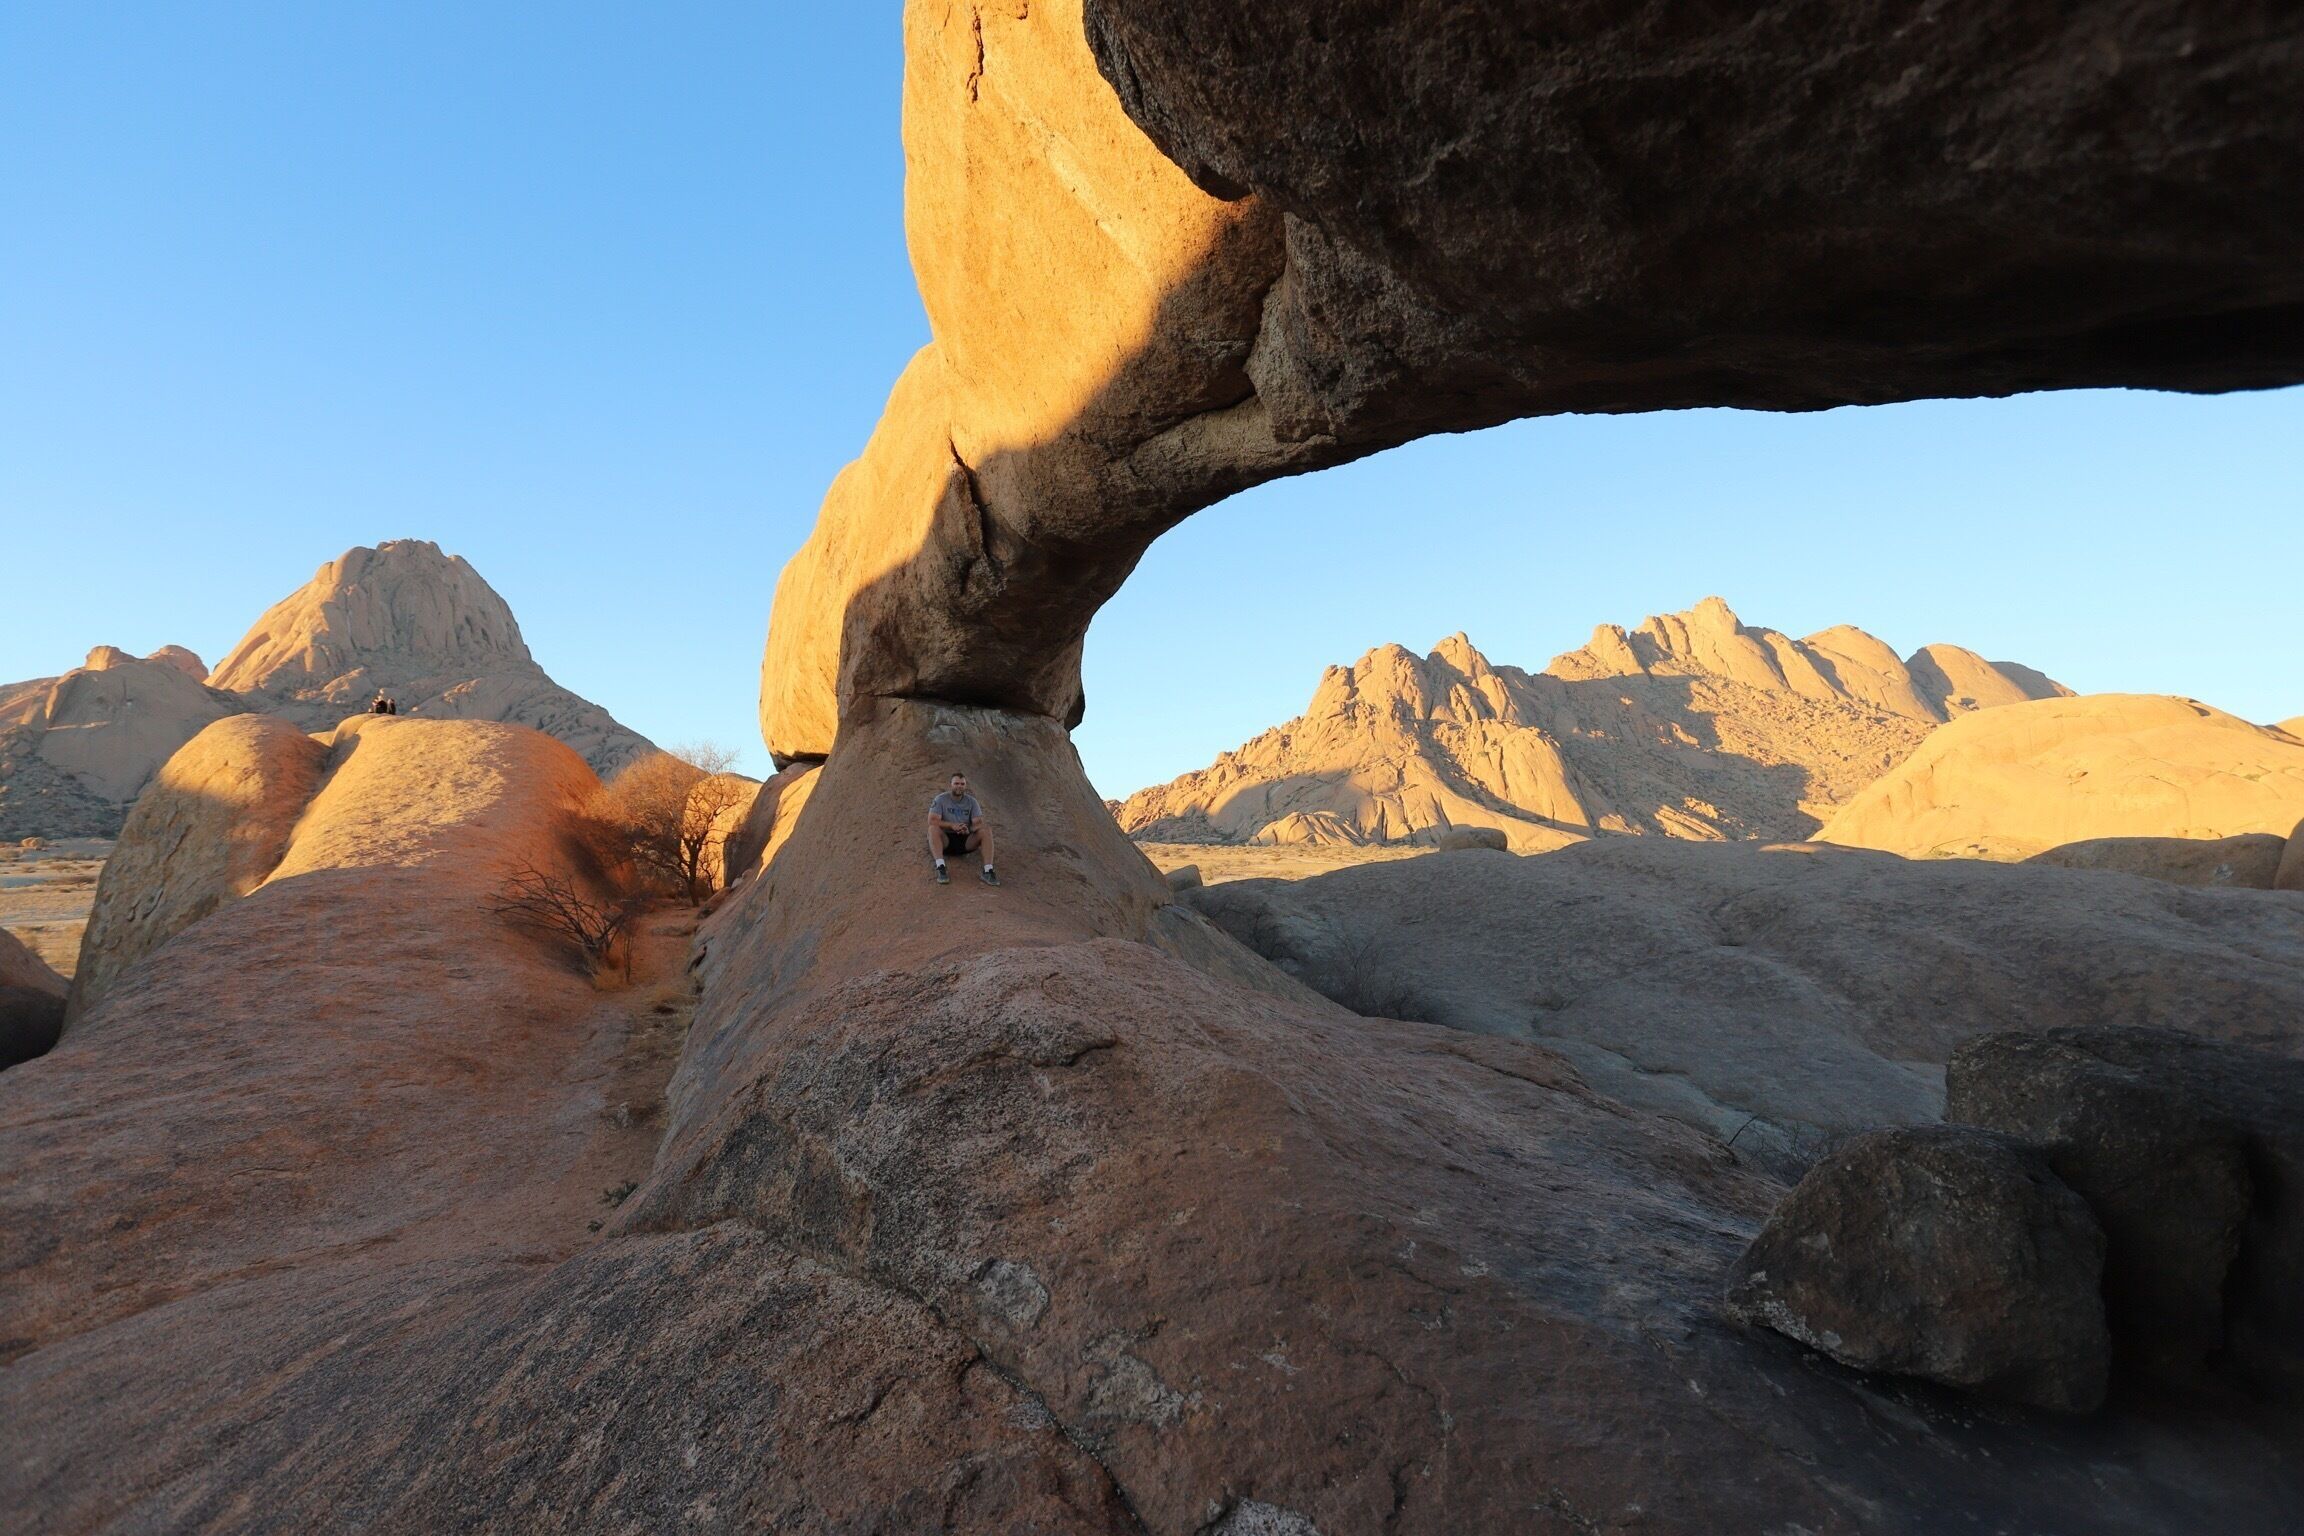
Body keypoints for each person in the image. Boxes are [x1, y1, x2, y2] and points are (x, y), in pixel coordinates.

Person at [927, 771, 998, 886]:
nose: (959, 786)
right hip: (946, 840)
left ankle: (988, 870)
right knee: (932, 829)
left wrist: (968, 829)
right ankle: (941, 867)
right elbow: (932, 820)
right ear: (951, 784)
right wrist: (952, 825)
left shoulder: (972, 802)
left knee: (986, 830)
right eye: (956, 783)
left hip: (965, 840)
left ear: (965, 785)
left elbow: (978, 823)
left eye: (962, 784)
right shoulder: (941, 799)